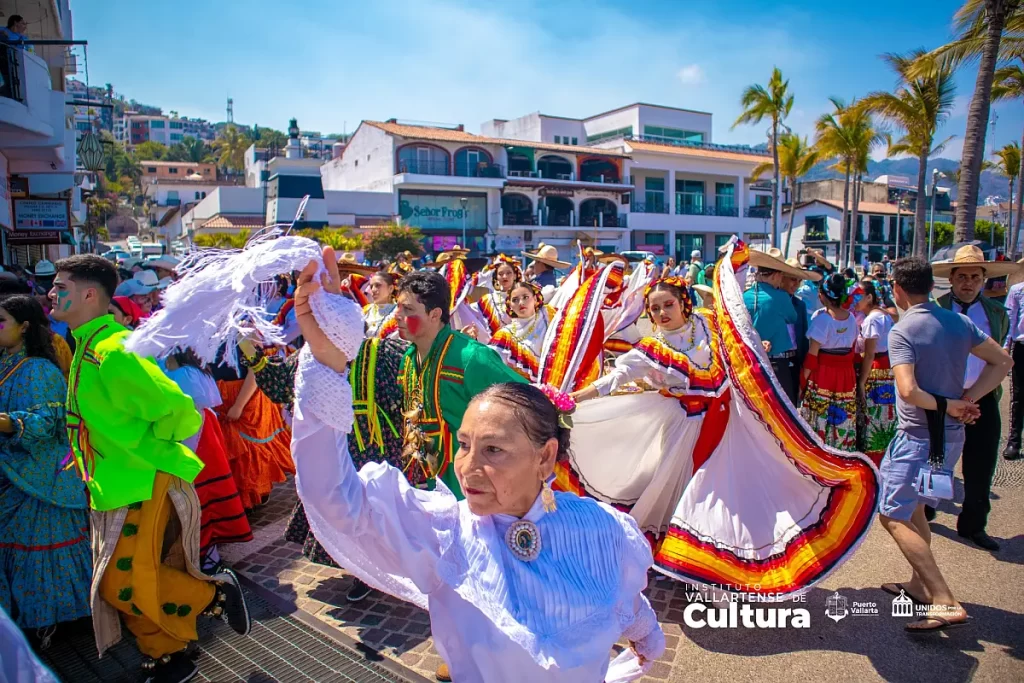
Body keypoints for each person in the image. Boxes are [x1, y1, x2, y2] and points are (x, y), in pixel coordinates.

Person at [49, 255, 250, 682]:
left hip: (142, 480)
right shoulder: (87, 344)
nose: (51, 292)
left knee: (118, 585)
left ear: (88, 294)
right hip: (113, 483)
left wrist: (149, 450)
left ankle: (210, 594)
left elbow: (179, 410)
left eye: (60, 284)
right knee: (133, 579)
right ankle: (167, 655)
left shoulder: (111, 350)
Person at [878, 257, 1011, 633]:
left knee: (894, 515)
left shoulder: (904, 329)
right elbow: (1003, 361)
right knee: (916, 508)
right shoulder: (959, 322)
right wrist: (969, 398)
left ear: (898, 289)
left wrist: (951, 403)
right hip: (949, 438)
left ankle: (943, 598)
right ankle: (920, 584)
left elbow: (908, 390)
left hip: (919, 436)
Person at [390, 269, 527, 502]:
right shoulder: (408, 361)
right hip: (423, 484)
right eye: (398, 307)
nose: (397, 315)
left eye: (408, 309)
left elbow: (525, 403)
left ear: (435, 315)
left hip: (470, 490)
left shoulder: (470, 357)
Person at [0, 295, 91, 633]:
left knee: (39, 550)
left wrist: (7, 422)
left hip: (41, 482)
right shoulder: (5, 361)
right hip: (13, 474)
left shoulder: (39, 369)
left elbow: (50, 422)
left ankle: (51, 622)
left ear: (24, 326)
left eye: (1, 321)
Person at [933, 246, 1014, 551]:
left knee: (981, 464)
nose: (969, 282)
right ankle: (927, 509)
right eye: (963, 276)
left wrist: (974, 396)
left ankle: (973, 525)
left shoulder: (996, 313)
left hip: (983, 398)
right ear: (951, 279)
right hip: (942, 397)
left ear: (983, 280)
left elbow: (999, 358)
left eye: (975, 277)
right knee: (935, 457)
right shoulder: (937, 308)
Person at [163, 348, 252, 572]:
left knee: (200, 495)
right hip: (198, 434)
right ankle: (204, 552)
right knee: (202, 496)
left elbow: (193, 403)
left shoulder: (185, 373)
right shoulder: (191, 369)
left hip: (194, 435)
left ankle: (205, 554)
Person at [210, 342, 294, 510]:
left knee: (249, 450)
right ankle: (238, 498)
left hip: (245, 399)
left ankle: (255, 494)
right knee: (231, 449)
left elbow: (255, 371)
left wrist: (239, 405)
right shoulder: (207, 332)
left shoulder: (243, 333)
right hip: (221, 397)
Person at [800, 273, 859, 452]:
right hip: (845, 376)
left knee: (819, 417)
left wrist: (802, 382)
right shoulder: (851, 319)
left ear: (822, 296)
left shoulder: (822, 320)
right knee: (842, 416)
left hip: (823, 375)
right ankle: (842, 452)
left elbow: (812, 357)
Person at [744, 248, 801, 403]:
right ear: (776, 275)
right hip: (776, 363)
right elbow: (792, 317)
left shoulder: (745, 296)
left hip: (751, 361)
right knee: (783, 411)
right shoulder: (780, 297)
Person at [856, 280, 897, 464]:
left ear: (869, 297)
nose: (854, 300)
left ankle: (875, 459)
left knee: (873, 416)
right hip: (885, 367)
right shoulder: (883, 315)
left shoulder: (872, 319)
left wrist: (862, 382)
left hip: (876, 370)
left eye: (858, 296)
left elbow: (870, 353)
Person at [490, 280, 554, 381]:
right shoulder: (505, 335)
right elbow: (490, 365)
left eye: (525, 297)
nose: (521, 303)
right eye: (515, 300)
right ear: (510, 305)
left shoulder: (549, 314)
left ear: (535, 299)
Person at [475, 254, 521, 336]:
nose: (504, 276)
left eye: (509, 273)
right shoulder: (487, 299)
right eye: (500, 274)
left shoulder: (524, 297)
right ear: (496, 277)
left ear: (515, 276)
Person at [1004, 277, 1024, 461]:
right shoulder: (1017, 290)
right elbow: (1009, 321)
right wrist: (1005, 350)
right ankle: (1014, 441)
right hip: (1022, 347)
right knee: (1019, 397)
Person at [362, 271, 397, 337]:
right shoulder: (365, 310)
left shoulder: (398, 313)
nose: (373, 290)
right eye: (371, 286)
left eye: (378, 285)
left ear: (391, 288)